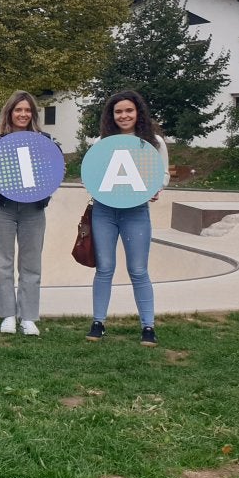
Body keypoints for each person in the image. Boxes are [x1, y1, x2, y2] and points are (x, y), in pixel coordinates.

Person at [88, 90, 168, 347]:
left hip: (136, 212)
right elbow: (94, 175)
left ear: (138, 112)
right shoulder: (102, 142)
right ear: (111, 116)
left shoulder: (153, 142)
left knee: (138, 269)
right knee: (105, 268)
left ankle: (148, 326)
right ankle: (98, 322)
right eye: (118, 111)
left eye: (129, 111)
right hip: (104, 211)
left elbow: (162, 173)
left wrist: (157, 188)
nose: (124, 116)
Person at [0, 91, 53, 336]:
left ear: (33, 113)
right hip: (2, 209)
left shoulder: (44, 139)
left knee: (31, 264)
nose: (23, 114)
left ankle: (29, 317)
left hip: (33, 210)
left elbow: (49, 175)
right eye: (18, 110)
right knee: (2, 264)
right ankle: (7, 315)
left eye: (27, 110)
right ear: (10, 112)